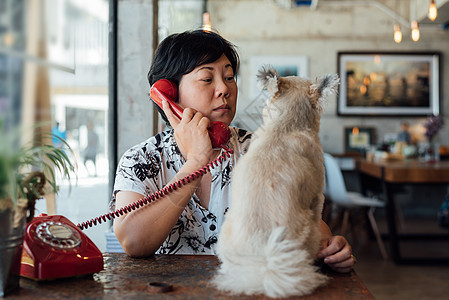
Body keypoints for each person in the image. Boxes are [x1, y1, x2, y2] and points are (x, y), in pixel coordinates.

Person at [111, 29, 355, 273]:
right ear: (169, 93)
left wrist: (330, 246)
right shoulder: (142, 158)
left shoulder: (260, 148)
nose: (224, 89)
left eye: (229, 77)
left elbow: (303, 219)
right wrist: (196, 162)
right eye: (207, 79)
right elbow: (134, 241)